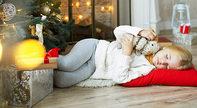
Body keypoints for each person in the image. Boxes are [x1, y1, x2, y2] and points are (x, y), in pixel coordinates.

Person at [54, 25, 193, 88]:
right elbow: (118, 30)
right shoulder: (147, 40)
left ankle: (38, 73)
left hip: (93, 69)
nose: (162, 62)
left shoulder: (146, 69)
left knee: (61, 81)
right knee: (67, 64)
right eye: (167, 57)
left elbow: (119, 78)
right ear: (166, 48)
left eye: (167, 66)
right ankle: (39, 55)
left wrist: (126, 53)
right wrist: (140, 31)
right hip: (94, 48)